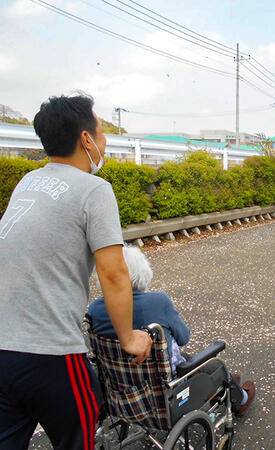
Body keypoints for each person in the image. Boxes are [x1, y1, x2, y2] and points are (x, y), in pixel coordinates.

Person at [0, 94, 152, 449]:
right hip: (51, 356)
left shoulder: (27, 183)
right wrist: (128, 337)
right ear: (86, 139)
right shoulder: (94, 190)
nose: (103, 142)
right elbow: (114, 275)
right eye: (101, 134)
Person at [88, 245, 256, 416]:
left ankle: (225, 385)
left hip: (122, 393)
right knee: (215, 365)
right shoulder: (158, 302)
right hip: (165, 395)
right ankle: (240, 399)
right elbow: (184, 337)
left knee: (192, 362)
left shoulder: (95, 309)